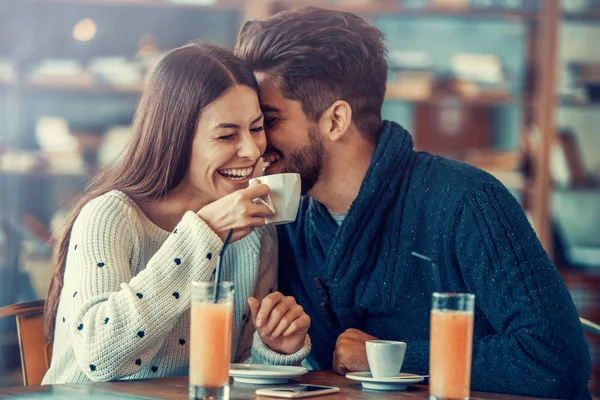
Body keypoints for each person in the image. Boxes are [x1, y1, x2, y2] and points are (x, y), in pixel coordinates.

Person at [235, 7, 592, 399]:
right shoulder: (291, 222)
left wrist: (390, 357)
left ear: (335, 120)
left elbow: (557, 359)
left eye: (268, 121)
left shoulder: (468, 201)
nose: (256, 144)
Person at [42, 43, 311, 385]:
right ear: (177, 137)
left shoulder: (255, 232)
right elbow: (100, 358)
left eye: (256, 128)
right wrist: (206, 232)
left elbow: (236, 373)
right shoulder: (109, 217)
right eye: (227, 135)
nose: (251, 149)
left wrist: (275, 348)